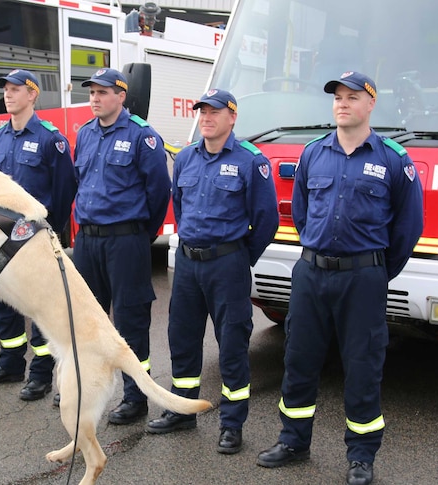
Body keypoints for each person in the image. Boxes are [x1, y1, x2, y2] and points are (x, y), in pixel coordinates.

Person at [255, 71, 423, 485]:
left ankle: (361, 457)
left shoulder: (393, 159)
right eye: (337, 97)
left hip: (362, 279)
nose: (342, 103)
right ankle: (293, 441)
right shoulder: (313, 154)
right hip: (312, 274)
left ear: (370, 104)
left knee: (363, 365)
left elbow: (407, 228)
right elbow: (301, 210)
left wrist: (376, 271)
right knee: (299, 359)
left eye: (352, 97)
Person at [146, 89, 278, 454]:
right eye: (202, 111)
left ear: (232, 117)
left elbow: (266, 220)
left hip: (227, 264)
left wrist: (237, 256)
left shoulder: (252, 162)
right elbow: (180, 205)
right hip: (189, 263)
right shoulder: (186, 157)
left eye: (214, 111)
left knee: (232, 346)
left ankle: (232, 424)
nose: (206, 117)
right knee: (182, 339)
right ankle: (183, 410)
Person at [71, 68, 170, 424]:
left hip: (126, 241)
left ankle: (135, 397)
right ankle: (94, 389)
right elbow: (78, 183)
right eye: (92, 92)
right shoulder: (84, 134)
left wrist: (140, 235)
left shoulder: (143, 137)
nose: (95, 98)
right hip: (88, 241)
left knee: (130, 320)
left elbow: (159, 192)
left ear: (121, 96)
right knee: (89, 321)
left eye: (103, 92)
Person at [0, 69, 77, 402]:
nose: (8, 94)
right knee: (4, 303)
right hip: (1, 235)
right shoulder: (0, 137)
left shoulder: (52, 139)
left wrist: (49, 230)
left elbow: (65, 191)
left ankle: (40, 374)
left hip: (34, 238)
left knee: (38, 308)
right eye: (5, 89)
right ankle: (10, 363)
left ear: (33, 94)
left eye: (16, 89)